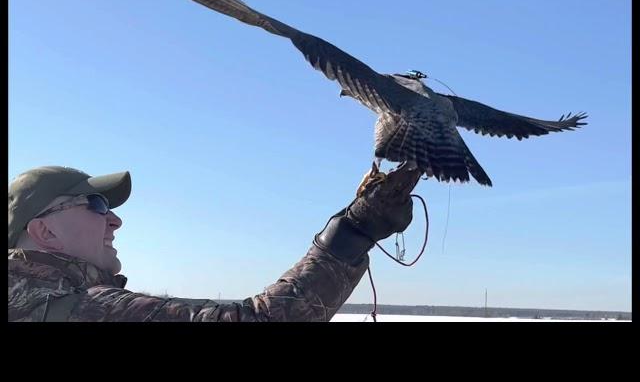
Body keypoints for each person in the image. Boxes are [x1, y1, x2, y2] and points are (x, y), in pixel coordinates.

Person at [8, 164, 421, 322]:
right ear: (44, 231)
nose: (114, 220)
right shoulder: (75, 311)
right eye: (96, 204)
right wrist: (353, 232)